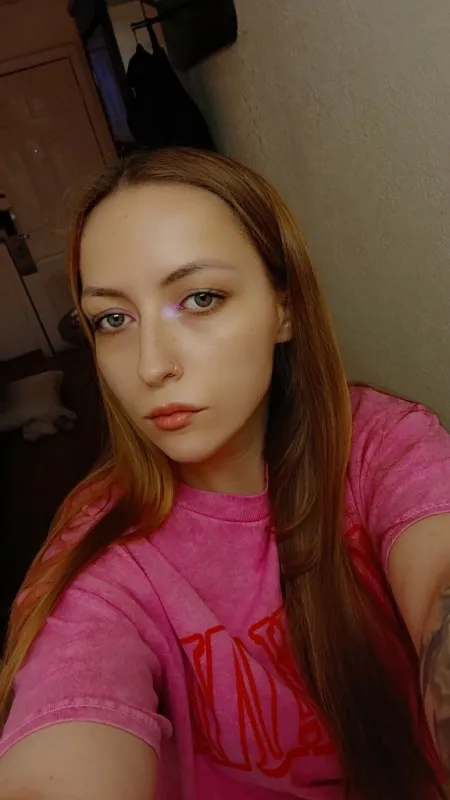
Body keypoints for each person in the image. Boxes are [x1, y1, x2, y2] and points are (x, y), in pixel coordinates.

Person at [0, 148, 449, 800]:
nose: (151, 365)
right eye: (113, 319)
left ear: (284, 307)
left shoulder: (381, 447)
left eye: (200, 298)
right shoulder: (102, 557)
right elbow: (66, 726)